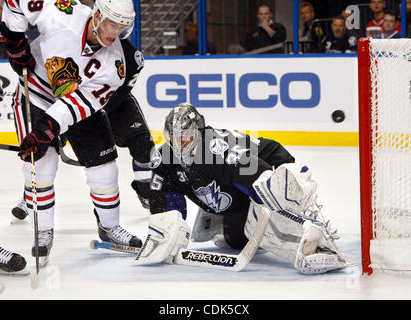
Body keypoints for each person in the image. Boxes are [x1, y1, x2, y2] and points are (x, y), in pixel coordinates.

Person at [1, 0, 147, 267]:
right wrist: (14, 39)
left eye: (122, 27)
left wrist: (47, 127)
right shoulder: (62, 11)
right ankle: (44, 229)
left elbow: (79, 104)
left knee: (105, 168)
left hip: (75, 104)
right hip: (35, 91)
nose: (115, 33)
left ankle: (109, 227)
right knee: (41, 165)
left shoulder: (115, 65)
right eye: (112, 24)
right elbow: (17, 2)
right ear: (98, 15)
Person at [134, 103, 348, 274]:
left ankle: (314, 235)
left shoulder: (214, 150)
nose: (180, 146)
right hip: (233, 195)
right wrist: (166, 232)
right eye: (175, 139)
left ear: (198, 132)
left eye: (186, 138)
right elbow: (163, 197)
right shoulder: (165, 158)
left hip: (271, 161)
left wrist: (281, 202)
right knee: (235, 240)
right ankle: (224, 221)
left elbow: (257, 174)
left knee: (271, 195)